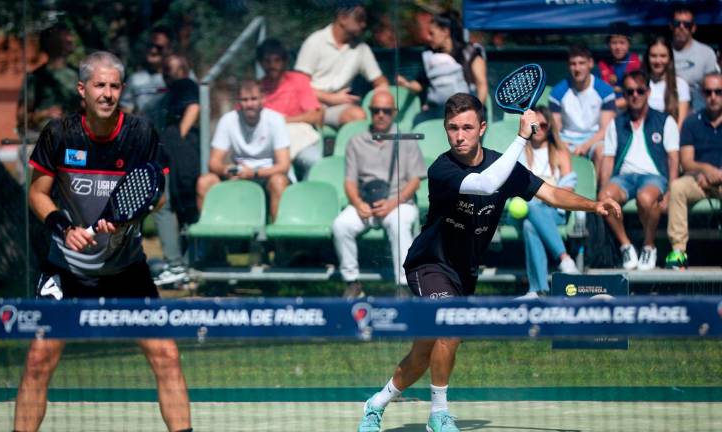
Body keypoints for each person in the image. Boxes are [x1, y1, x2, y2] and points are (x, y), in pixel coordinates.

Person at [356, 93, 621, 432]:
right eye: (452, 128)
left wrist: (593, 205)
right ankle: (438, 415)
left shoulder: (502, 165)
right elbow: (485, 184)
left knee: (425, 349)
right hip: (429, 264)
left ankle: (376, 403)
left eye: (467, 127)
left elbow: (551, 193)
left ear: (482, 128)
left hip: (464, 273)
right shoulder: (442, 169)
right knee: (449, 329)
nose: (460, 135)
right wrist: (522, 136)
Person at [18, 51, 192, 432]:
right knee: (38, 361)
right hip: (65, 269)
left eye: (114, 86)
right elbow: (37, 193)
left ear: (122, 90)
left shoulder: (141, 135)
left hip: (125, 268)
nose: (108, 93)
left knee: (166, 355)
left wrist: (130, 215)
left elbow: (156, 194)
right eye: (100, 85)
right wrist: (64, 228)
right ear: (83, 89)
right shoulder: (59, 134)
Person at [332, 90, 426, 298]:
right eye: (376, 111)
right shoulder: (356, 141)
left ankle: (404, 285)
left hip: (399, 202)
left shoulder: (407, 140)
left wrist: (393, 203)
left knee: (399, 223)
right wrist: (357, 203)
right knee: (341, 225)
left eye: (386, 111)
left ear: (394, 113)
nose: (381, 115)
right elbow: (349, 182)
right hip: (366, 202)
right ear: (370, 112)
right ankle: (352, 282)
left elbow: (414, 181)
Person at [598, 70, 680, 271]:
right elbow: (608, 159)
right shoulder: (617, 123)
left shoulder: (664, 120)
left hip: (653, 177)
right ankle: (626, 245)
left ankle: (648, 246)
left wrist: (670, 191)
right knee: (605, 196)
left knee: (645, 198)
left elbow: (673, 158)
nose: (635, 95)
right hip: (624, 178)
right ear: (624, 95)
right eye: (630, 91)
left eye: (640, 91)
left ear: (648, 92)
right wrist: (602, 190)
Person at [195, 80, 290, 221]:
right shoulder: (228, 120)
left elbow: (284, 165)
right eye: (245, 100)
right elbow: (214, 162)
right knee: (204, 182)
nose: (249, 104)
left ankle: (278, 239)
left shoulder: (275, 120)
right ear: (239, 102)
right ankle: (212, 236)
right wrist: (227, 169)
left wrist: (254, 173)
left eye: (254, 99)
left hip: (266, 176)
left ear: (263, 99)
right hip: (238, 175)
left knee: (278, 181)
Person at [514, 106, 580, 300]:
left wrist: (549, 197)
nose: (539, 129)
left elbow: (568, 187)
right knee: (530, 216)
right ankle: (564, 259)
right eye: (535, 125)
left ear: (550, 126)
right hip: (526, 209)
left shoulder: (560, 152)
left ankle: (536, 290)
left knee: (531, 220)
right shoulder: (520, 151)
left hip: (553, 210)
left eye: (543, 125)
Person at [294, 1, 389, 128]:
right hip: (310, 106)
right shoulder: (315, 42)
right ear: (342, 18)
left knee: (358, 116)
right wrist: (330, 98)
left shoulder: (361, 49)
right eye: (359, 18)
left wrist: (377, 99)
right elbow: (298, 85)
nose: (363, 24)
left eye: (364, 20)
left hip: (339, 108)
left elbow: (380, 81)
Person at [152, 54, 200, 286]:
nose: (165, 74)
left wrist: (178, 137)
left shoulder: (185, 84)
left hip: (181, 154)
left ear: (182, 71)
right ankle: (181, 264)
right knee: (174, 206)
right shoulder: (169, 93)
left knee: (168, 204)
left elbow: (193, 106)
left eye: (169, 70)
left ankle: (177, 265)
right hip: (174, 153)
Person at [666, 73, 722, 269]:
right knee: (677, 187)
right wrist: (705, 171)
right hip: (699, 180)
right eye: (708, 92)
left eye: (718, 92)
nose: (713, 96)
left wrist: (718, 176)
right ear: (702, 94)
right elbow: (687, 161)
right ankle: (678, 252)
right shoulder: (692, 122)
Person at [397, 10, 488, 126]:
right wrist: (406, 84)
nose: (428, 38)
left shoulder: (470, 52)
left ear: (445, 32)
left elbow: (482, 84)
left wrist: (476, 112)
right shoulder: (428, 55)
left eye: (432, 33)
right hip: (438, 111)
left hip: (467, 109)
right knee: (419, 121)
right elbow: (420, 84)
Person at [257, 38, 323, 179]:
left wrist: (284, 120)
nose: (272, 65)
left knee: (315, 161)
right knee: (281, 171)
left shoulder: (298, 80)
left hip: (300, 138)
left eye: (277, 61)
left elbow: (315, 115)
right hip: (269, 143)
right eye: (267, 61)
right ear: (260, 63)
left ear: (284, 61)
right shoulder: (256, 90)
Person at [549, 45, 616, 179]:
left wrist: (585, 146)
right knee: (552, 150)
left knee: (602, 151)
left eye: (581, 63)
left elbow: (605, 130)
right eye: (573, 64)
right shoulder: (557, 92)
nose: (577, 68)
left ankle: (599, 195)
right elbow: (555, 128)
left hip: (594, 138)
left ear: (590, 63)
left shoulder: (605, 91)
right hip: (566, 138)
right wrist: (561, 144)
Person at [17, 23, 80, 140]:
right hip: (43, 141)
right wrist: (45, 114)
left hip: (73, 141)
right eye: (65, 36)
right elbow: (21, 117)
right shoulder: (35, 78)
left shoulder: (80, 75)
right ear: (53, 42)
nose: (71, 39)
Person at [671, 4, 720, 113]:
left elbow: (713, 88)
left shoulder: (707, 53)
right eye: (677, 24)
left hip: (699, 111)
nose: (681, 27)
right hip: (668, 108)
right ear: (671, 26)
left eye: (687, 25)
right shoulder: (662, 53)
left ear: (693, 28)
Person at [120, 26, 172, 125]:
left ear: (169, 49)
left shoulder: (181, 77)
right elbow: (125, 112)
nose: (153, 50)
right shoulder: (134, 79)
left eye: (159, 47)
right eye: (150, 45)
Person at [645, 36, 690, 128]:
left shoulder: (680, 85)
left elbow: (681, 124)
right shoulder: (641, 83)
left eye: (663, 56)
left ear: (670, 58)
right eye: (653, 56)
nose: (658, 61)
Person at [597, 21, 641, 111]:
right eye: (614, 43)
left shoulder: (634, 62)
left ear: (629, 44)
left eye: (622, 43)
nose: (618, 47)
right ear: (608, 44)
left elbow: (636, 95)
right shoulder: (602, 64)